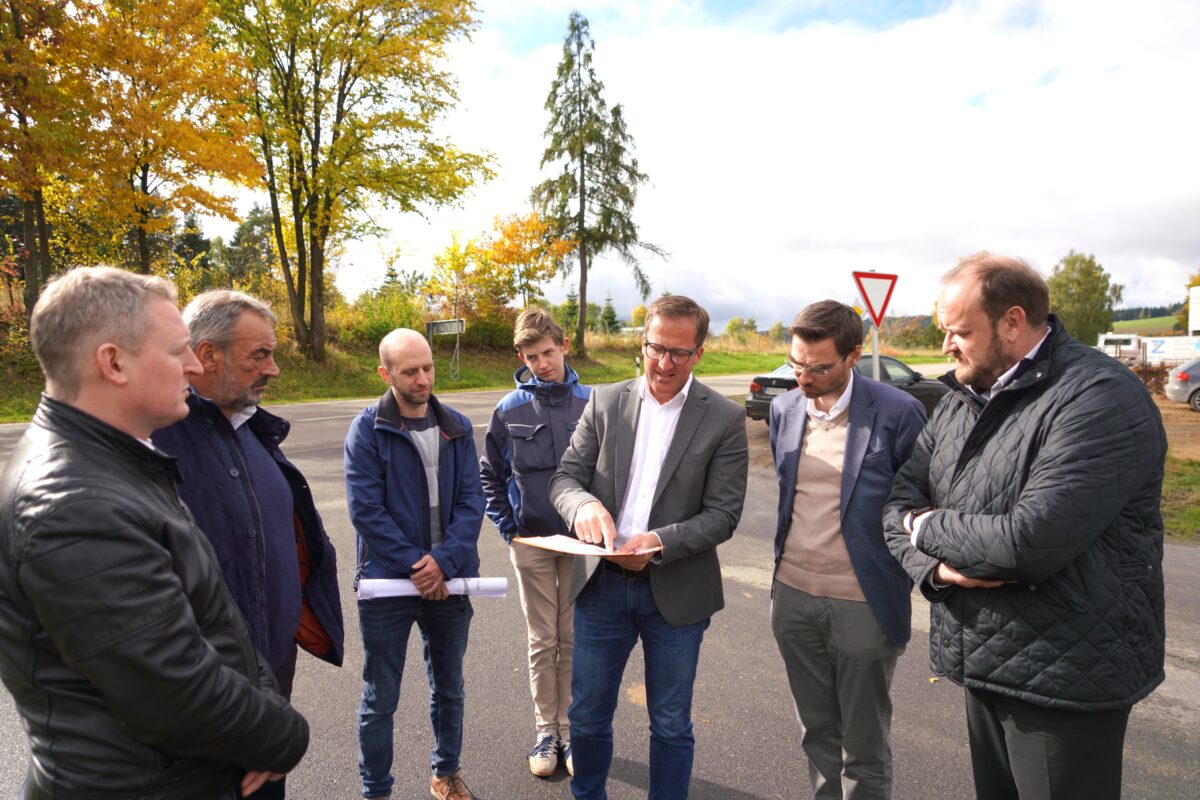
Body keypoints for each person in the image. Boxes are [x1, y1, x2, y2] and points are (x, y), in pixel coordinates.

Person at [0, 267, 308, 800]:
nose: (193, 367)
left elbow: (217, 620)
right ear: (113, 362)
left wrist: (266, 696)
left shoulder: (118, 462)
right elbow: (172, 690)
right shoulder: (74, 502)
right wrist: (284, 736)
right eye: (177, 352)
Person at [884, 253, 1167, 800]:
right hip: (984, 657)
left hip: (1067, 676)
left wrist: (926, 525)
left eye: (960, 331)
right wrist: (939, 571)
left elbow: (1025, 543)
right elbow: (896, 503)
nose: (946, 346)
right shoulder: (962, 397)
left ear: (1013, 322)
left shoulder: (1098, 397)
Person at [549, 294, 749, 800]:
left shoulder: (724, 418)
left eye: (678, 353)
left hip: (677, 592)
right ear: (642, 342)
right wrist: (582, 508)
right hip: (602, 588)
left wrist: (658, 542)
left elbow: (724, 514)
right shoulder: (606, 401)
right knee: (588, 716)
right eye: (655, 348)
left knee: (671, 723)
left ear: (699, 352)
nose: (664, 363)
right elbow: (566, 479)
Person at [152, 290, 344, 798]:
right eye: (260, 354)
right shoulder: (156, 440)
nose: (274, 369)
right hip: (209, 702)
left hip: (268, 678)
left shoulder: (249, 429)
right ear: (208, 354)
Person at [768, 301, 927, 800]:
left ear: (854, 356)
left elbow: (919, 505)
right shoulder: (784, 408)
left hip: (864, 602)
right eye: (796, 364)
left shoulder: (899, 412)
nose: (804, 378)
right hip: (792, 597)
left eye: (818, 367)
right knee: (816, 732)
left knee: (863, 745)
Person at [344, 328, 485, 800]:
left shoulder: (458, 427)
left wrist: (442, 563)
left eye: (427, 367)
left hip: (451, 580)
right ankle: (376, 790)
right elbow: (366, 511)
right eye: (411, 371)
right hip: (388, 585)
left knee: (450, 686)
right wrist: (416, 566)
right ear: (386, 374)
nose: (424, 378)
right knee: (380, 696)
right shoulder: (367, 429)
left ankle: (446, 774)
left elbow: (471, 504)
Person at [480, 307, 591, 777]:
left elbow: (608, 473)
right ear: (520, 357)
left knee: (575, 638)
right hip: (532, 541)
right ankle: (547, 731)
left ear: (562, 347)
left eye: (547, 352)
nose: (541, 363)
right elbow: (489, 473)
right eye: (531, 356)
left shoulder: (593, 403)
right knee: (543, 640)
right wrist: (510, 530)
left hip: (582, 544)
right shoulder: (508, 410)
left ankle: (573, 730)